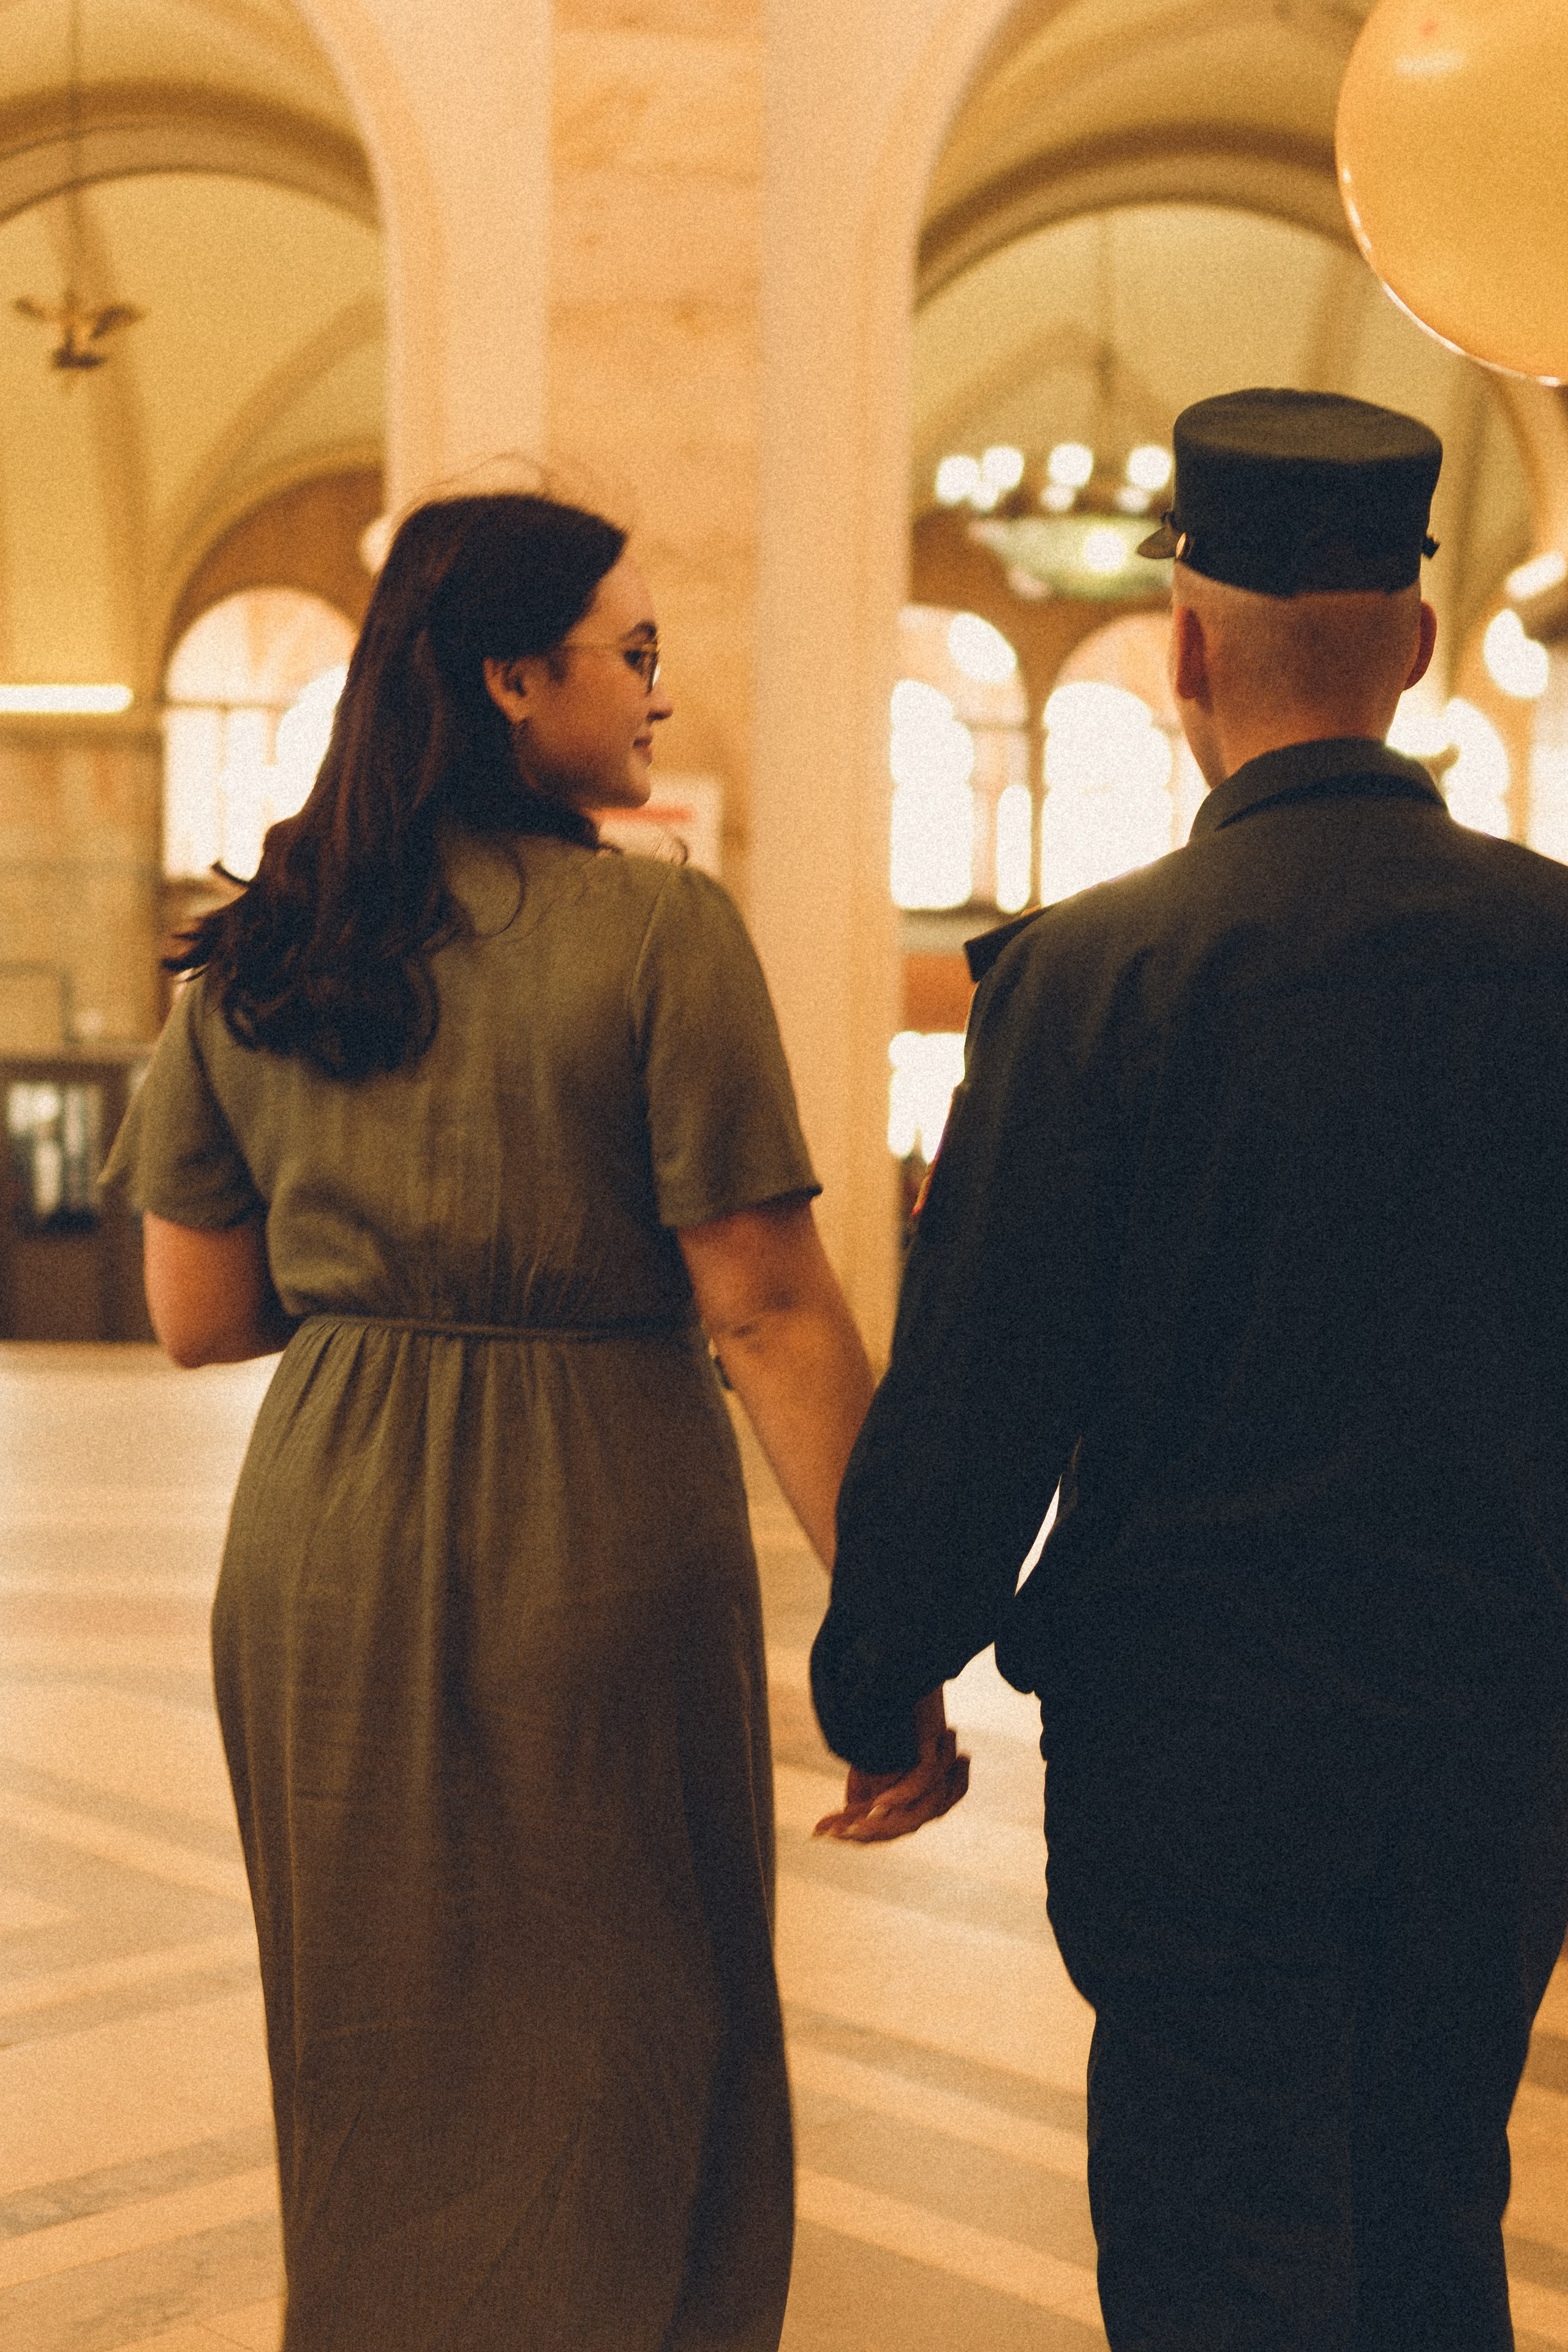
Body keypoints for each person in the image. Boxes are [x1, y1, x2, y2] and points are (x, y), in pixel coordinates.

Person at [100, 491, 962, 2352]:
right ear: (513, 677)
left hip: (323, 1535)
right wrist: (890, 1646)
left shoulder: (261, 952)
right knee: (625, 2032)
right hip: (594, 1521)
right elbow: (767, 1302)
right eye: (632, 652)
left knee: (377, 2045)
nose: (660, 691)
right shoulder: (656, 933)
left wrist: (386, 1266)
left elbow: (195, 1314)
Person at [810, 390, 1568, 2350]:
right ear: (1413, 648)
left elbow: (985, 1384)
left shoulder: (1088, 981)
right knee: (1432, 2208)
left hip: (1201, 1754)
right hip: (1496, 1740)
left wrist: (884, 1675)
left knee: (1217, 2239)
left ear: (1182, 652)